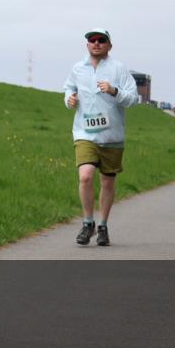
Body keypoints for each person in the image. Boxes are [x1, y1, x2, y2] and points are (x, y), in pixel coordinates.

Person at [64, 28, 138, 247]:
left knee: (107, 181)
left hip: (112, 135)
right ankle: (88, 223)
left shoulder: (119, 69)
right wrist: (69, 98)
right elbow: (68, 87)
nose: (96, 43)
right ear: (87, 45)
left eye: (101, 40)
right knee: (85, 176)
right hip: (84, 132)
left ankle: (103, 225)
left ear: (109, 45)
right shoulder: (78, 68)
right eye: (92, 40)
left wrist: (115, 91)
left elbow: (133, 99)